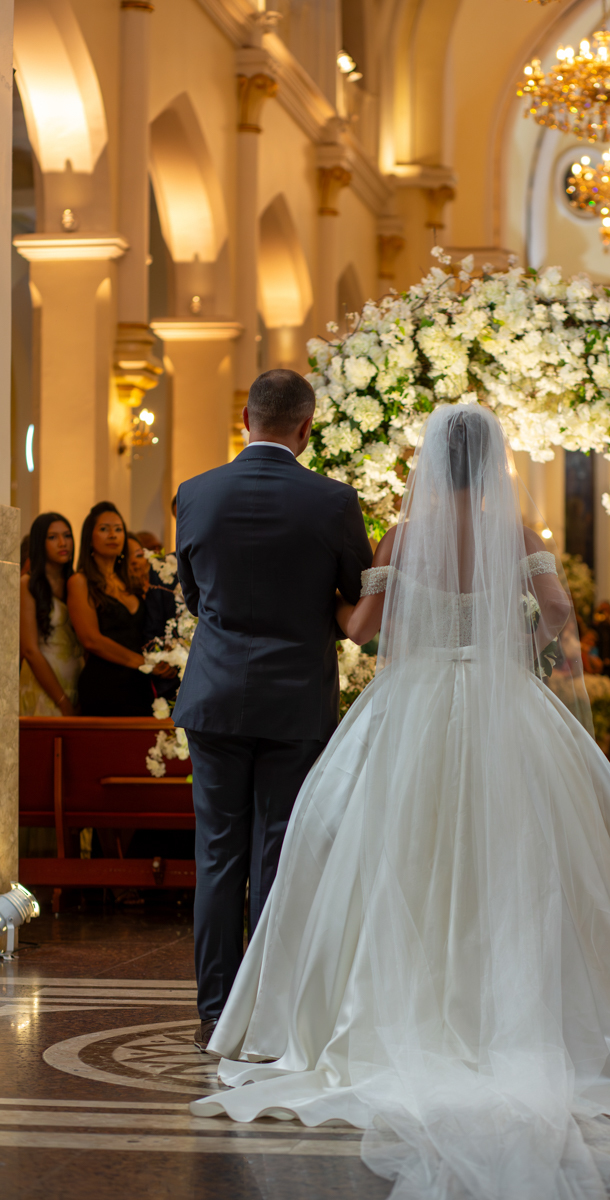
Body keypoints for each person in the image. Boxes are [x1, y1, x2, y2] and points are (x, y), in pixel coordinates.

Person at [190, 406, 610, 1198]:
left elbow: (362, 630)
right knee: (512, 854)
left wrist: (358, 618)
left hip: (409, 704)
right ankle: (507, 1006)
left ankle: (396, 1008)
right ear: (490, 464)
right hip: (499, 698)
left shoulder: (402, 538)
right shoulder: (514, 533)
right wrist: (519, 646)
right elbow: (558, 613)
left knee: (393, 851)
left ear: (428, 461)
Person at [173, 368, 372, 1052]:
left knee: (217, 854)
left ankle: (215, 1010)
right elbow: (357, 598)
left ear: (246, 419)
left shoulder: (195, 493)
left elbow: (194, 596)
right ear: (306, 428)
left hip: (215, 694)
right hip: (295, 697)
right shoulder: (333, 500)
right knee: (280, 852)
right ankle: (269, 1007)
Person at [67, 502, 168, 716]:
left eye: (118, 529)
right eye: (104, 529)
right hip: (104, 685)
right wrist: (143, 662)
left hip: (139, 684)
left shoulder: (128, 581)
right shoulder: (80, 581)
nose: (113, 535)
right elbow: (91, 640)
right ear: (89, 538)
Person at [19, 512, 83, 716]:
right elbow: (30, 649)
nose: (63, 543)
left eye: (67, 535)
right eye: (53, 537)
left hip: (76, 679)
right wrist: (62, 701)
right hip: (43, 684)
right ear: (40, 542)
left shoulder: (77, 583)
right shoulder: (28, 584)